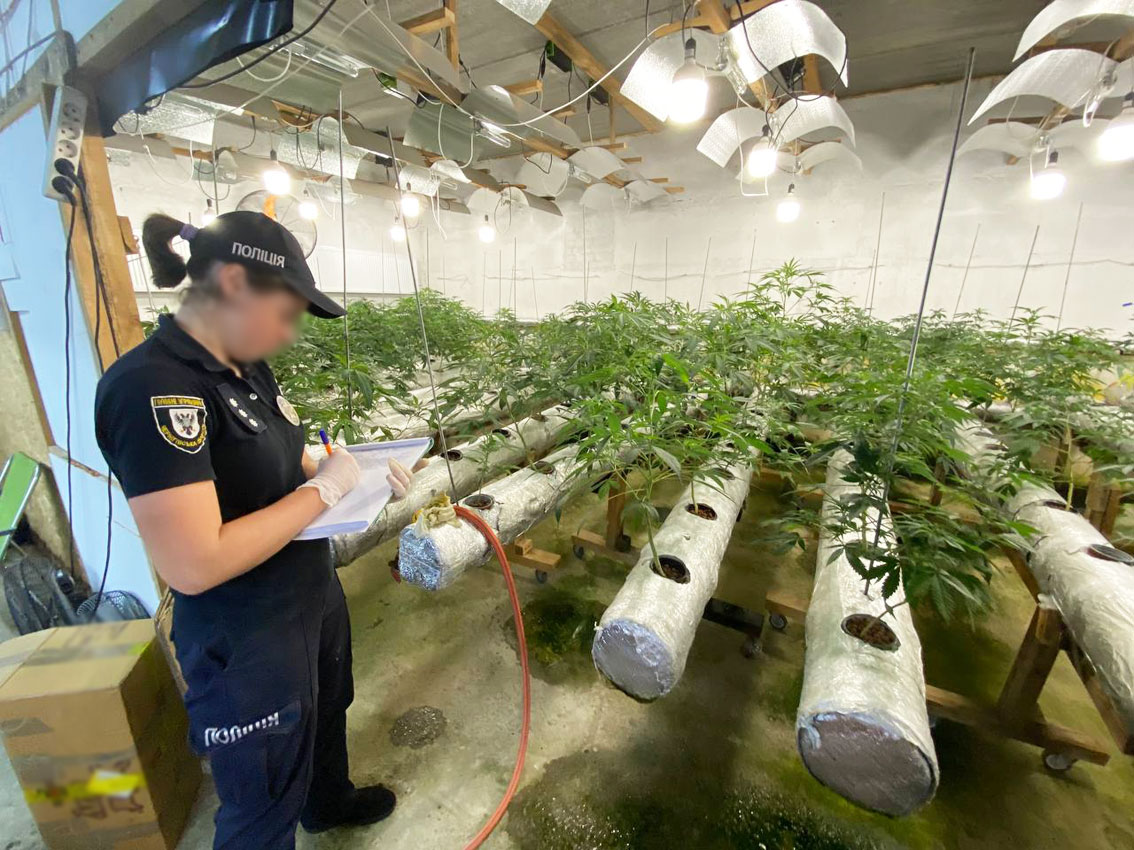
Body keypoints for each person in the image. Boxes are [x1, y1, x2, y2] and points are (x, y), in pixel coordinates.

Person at [95, 211, 423, 849]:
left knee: (327, 710)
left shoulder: (248, 369)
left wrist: (352, 473)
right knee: (262, 796)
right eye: (286, 312)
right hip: (246, 634)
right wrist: (323, 491)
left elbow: (283, 460)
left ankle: (327, 802)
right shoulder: (153, 389)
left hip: (308, 591)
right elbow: (194, 563)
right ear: (234, 284)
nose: (291, 331)